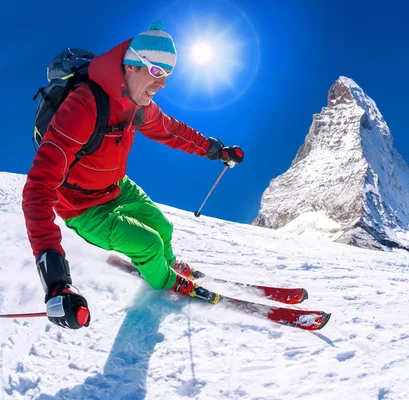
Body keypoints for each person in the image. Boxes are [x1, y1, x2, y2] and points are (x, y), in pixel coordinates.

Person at [22, 21, 244, 330]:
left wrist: (215, 150)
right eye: (156, 72)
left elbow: (171, 130)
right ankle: (165, 280)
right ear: (131, 66)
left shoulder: (138, 104)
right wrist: (56, 280)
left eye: (167, 75)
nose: (162, 84)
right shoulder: (83, 106)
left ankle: (165, 266)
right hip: (83, 207)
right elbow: (37, 190)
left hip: (117, 188)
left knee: (163, 229)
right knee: (150, 243)